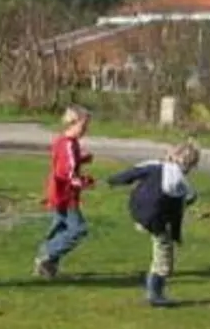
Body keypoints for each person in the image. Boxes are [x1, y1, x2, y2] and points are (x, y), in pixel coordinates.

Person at [106, 141, 201, 307]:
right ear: (189, 165)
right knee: (164, 259)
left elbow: (131, 173)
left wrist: (113, 180)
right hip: (155, 218)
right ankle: (155, 295)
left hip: (136, 209)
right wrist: (176, 236)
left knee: (153, 222)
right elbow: (177, 213)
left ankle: (143, 224)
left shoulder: (153, 164)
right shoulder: (180, 183)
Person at [34, 105, 94, 279]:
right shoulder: (67, 144)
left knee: (60, 228)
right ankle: (47, 254)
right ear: (72, 124)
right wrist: (84, 182)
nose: (85, 130)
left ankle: (47, 268)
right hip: (64, 194)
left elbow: (66, 162)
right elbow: (65, 172)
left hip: (60, 192)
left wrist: (82, 158)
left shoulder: (67, 142)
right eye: (83, 126)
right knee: (78, 229)